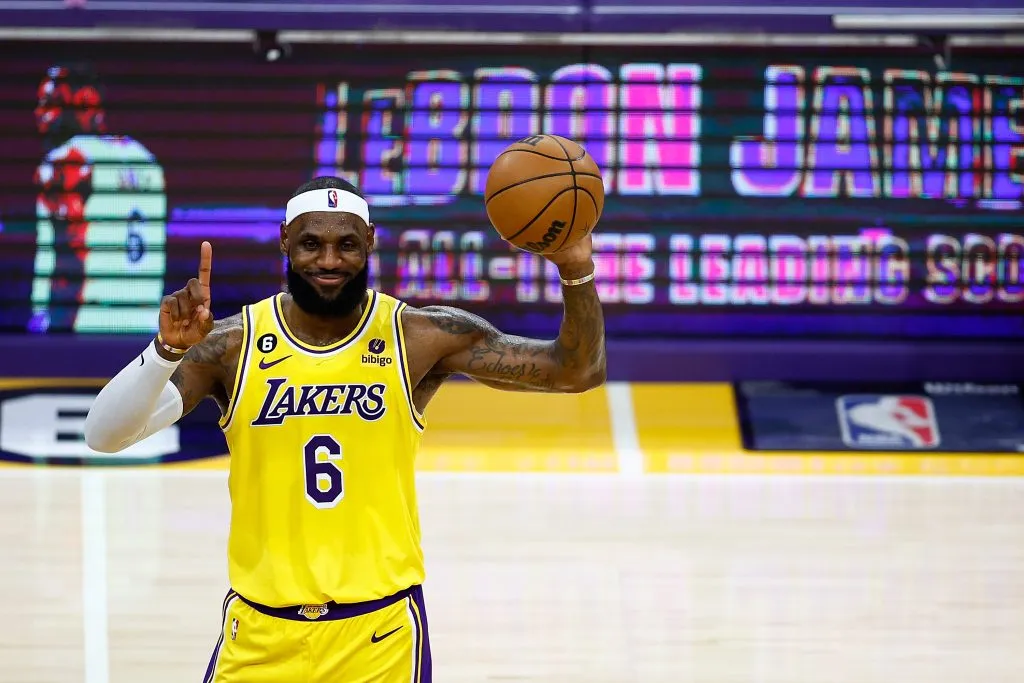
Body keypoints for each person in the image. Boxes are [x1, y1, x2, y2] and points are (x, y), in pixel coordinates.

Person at [84, 175, 606, 682]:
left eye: (347, 245)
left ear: (371, 244)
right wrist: (167, 352)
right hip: (261, 633)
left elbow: (575, 370)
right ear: (286, 242)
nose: (329, 261)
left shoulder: (420, 336)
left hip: (378, 637)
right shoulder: (232, 345)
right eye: (311, 243)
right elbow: (104, 435)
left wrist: (576, 268)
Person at [32, 63, 166, 334]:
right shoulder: (144, 157)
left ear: (82, 104)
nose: (40, 114)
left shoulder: (68, 161)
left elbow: (67, 258)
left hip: (86, 323)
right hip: (146, 326)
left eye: (49, 103)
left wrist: (42, 326)